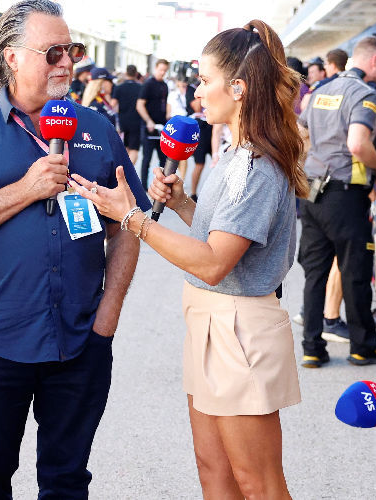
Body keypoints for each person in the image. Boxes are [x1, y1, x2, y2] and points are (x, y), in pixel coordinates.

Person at [0, 1, 149, 497]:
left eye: (73, 51)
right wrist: (26, 189)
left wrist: (107, 318)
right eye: (52, 53)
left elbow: (130, 224)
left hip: (80, 342)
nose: (67, 63)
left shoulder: (96, 129)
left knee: (67, 482)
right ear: (12, 57)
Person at [72, 20, 305, 498]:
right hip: (211, 320)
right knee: (213, 471)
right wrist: (181, 205)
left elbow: (215, 262)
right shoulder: (234, 154)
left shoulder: (256, 164)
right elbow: (225, 239)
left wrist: (133, 217)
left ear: (238, 88)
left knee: (257, 483)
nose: (197, 92)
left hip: (238, 328)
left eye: (204, 80)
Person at [297, 35, 376, 367]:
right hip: (345, 196)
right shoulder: (364, 94)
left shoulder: (321, 91)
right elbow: (359, 145)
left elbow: (301, 133)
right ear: (374, 60)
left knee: (315, 274)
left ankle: (312, 348)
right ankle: (362, 347)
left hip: (312, 191)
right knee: (355, 271)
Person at [136, 58, 170, 188]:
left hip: (162, 127)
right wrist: (149, 121)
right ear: (155, 68)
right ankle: (143, 187)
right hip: (149, 127)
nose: (163, 72)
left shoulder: (165, 85)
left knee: (164, 159)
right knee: (147, 159)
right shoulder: (148, 84)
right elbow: (140, 105)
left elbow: (164, 104)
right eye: (161, 70)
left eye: (165, 70)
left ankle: (163, 184)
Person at [113, 64, 143, 167]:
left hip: (123, 121)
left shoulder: (119, 87)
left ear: (126, 73)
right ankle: (129, 171)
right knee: (134, 149)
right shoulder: (140, 87)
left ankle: (124, 170)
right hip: (136, 121)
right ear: (136, 74)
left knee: (125, 147)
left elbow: (113, 104)